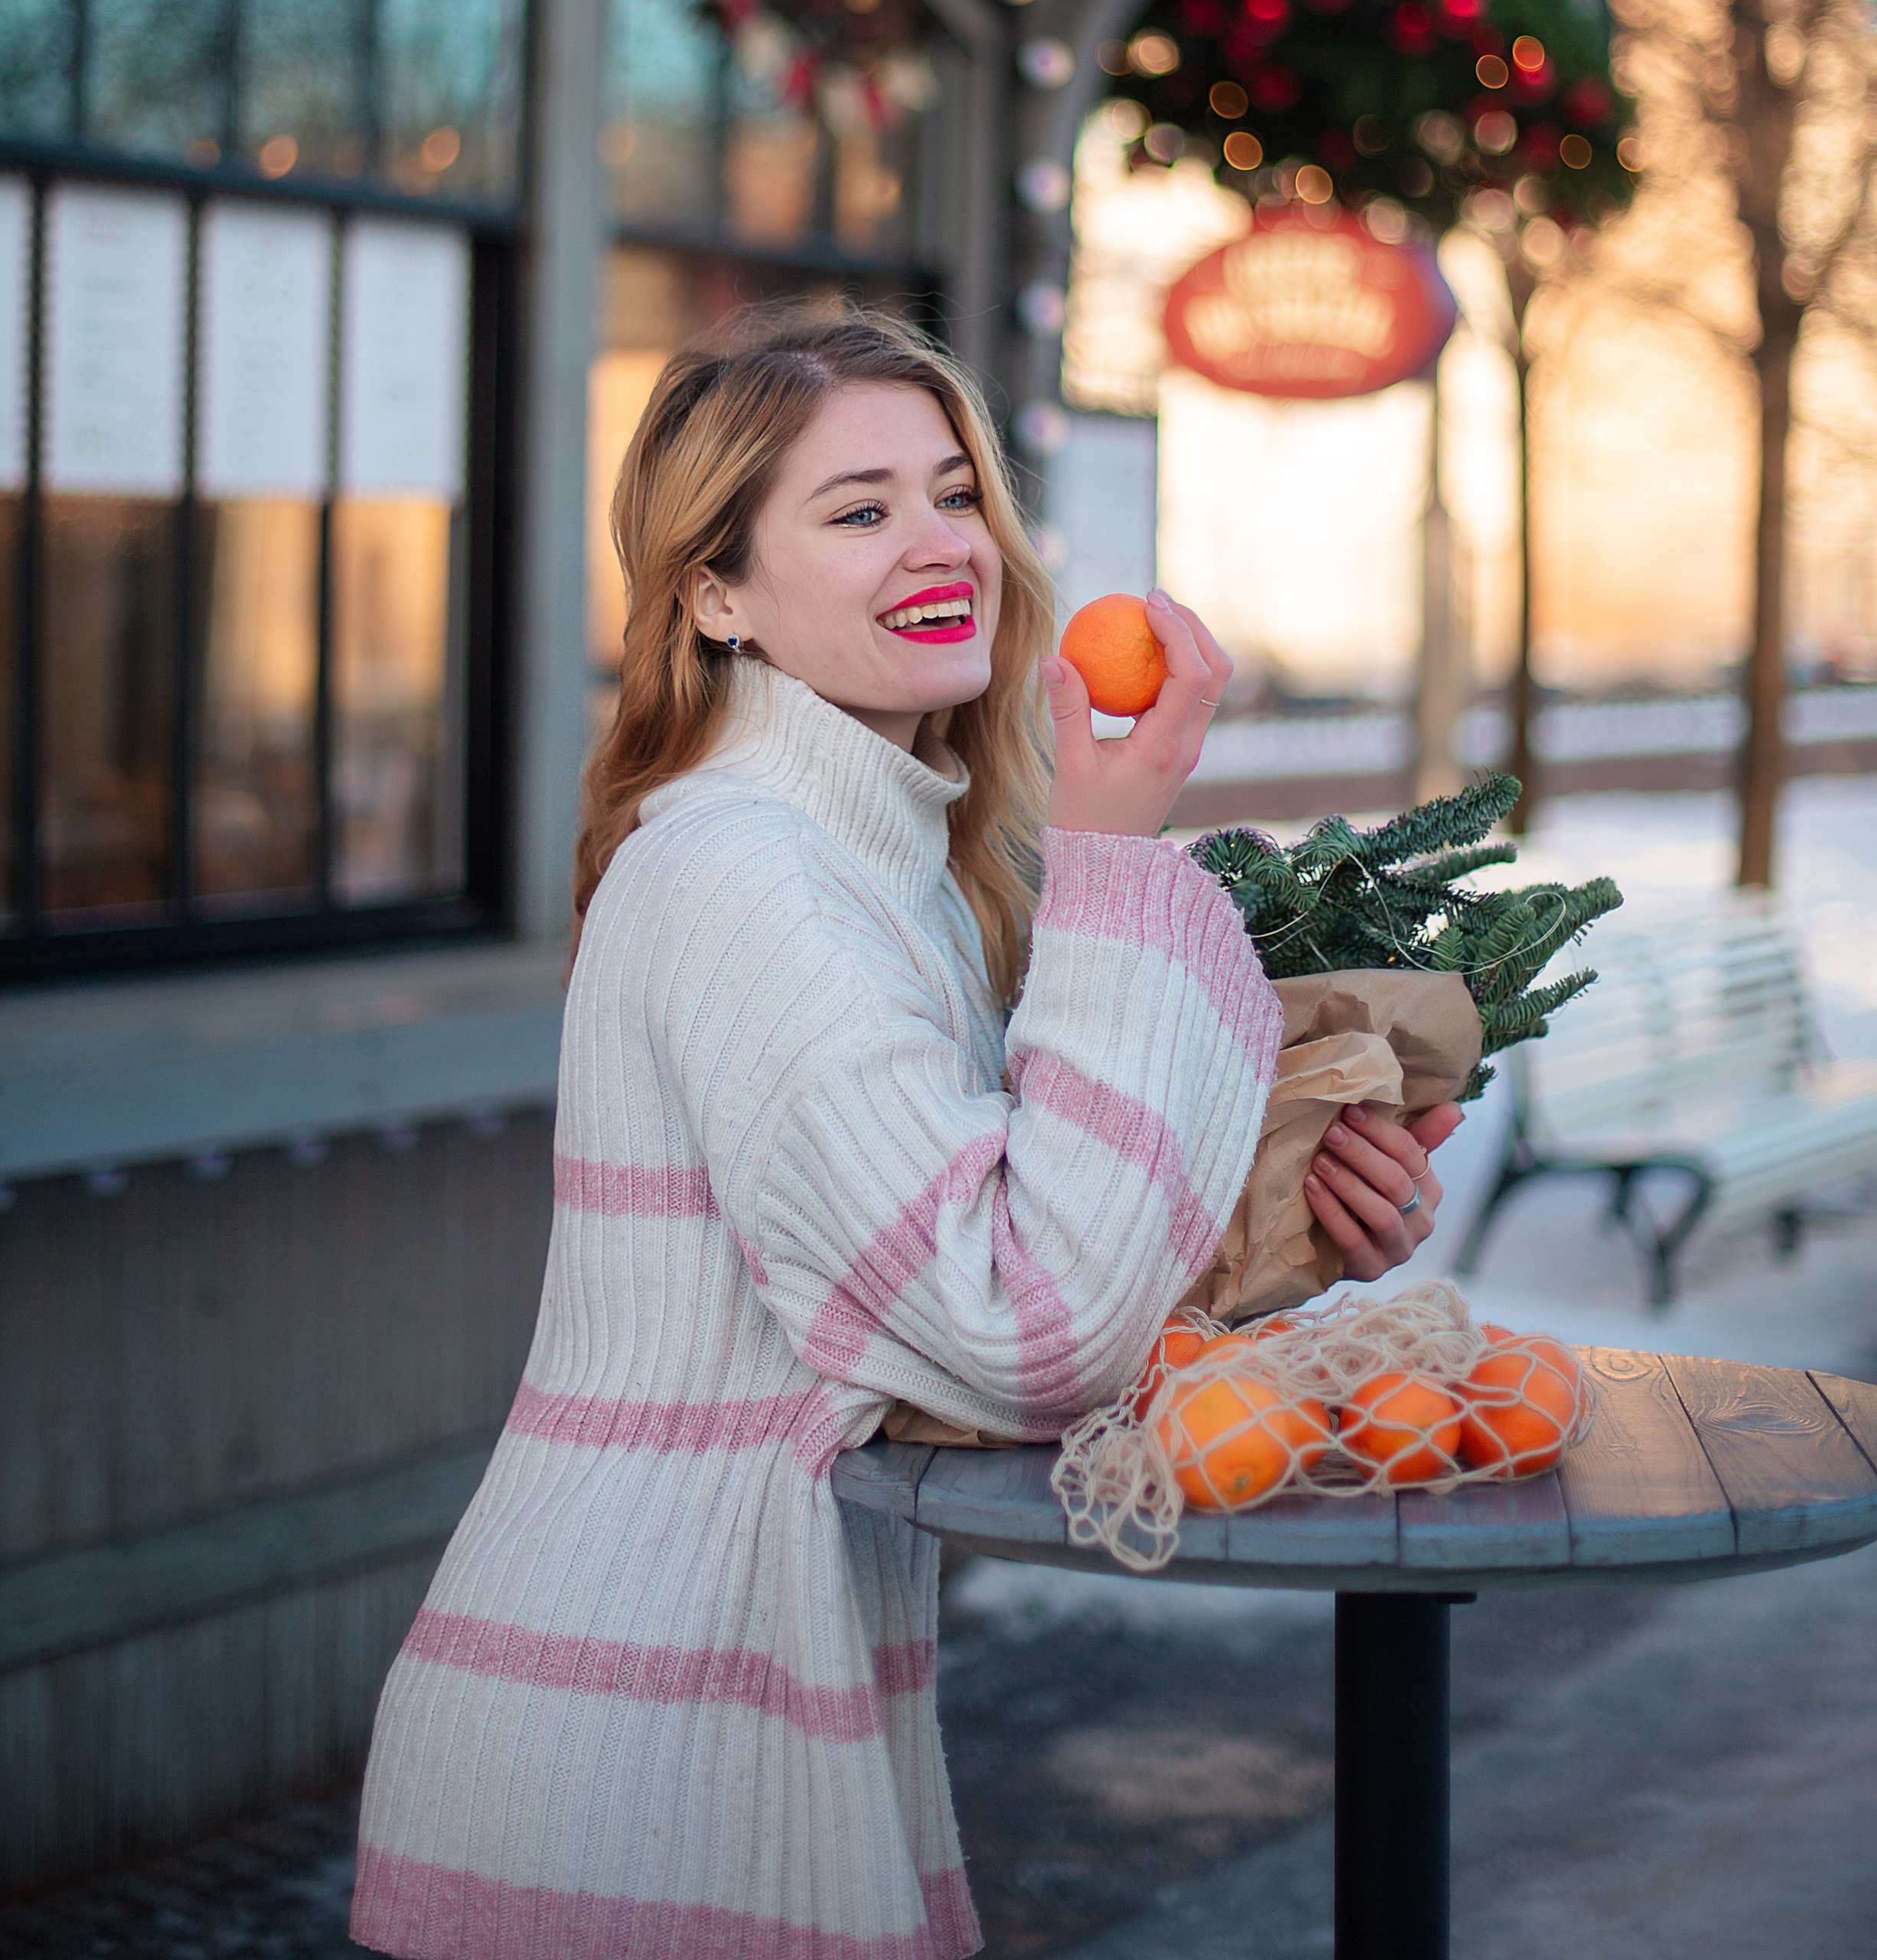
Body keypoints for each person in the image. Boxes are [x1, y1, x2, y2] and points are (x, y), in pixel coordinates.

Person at [351, 307, 1458, 1960]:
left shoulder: (881, 864)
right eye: (857, 510)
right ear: (713, 593)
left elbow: (965, 1297)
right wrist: (1110, 856)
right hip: (630, 1760)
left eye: (952, 494)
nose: (939, 543)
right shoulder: (745, 873)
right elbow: (1020, 1334)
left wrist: (1281, 1224)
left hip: (735, 1719)